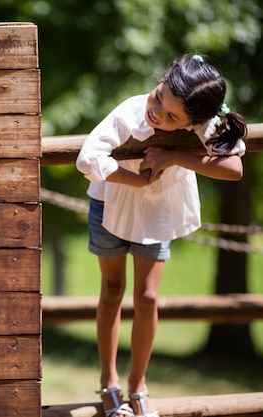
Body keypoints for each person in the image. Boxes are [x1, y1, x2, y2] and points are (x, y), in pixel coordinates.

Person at [76, 54, 247, 417]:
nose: (158, 114)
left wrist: (173, 157)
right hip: (108, 209)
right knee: (111, 290)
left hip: (156, 213)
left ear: (194, 122)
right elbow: (87, 158)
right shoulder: (131, 111)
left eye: (173, 117)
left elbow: (233, 168)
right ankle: (109, 381)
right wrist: (135, 178)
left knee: (148, 297)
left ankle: (138, 385)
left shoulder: (202, 121)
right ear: (161, 81)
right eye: (158, 98)